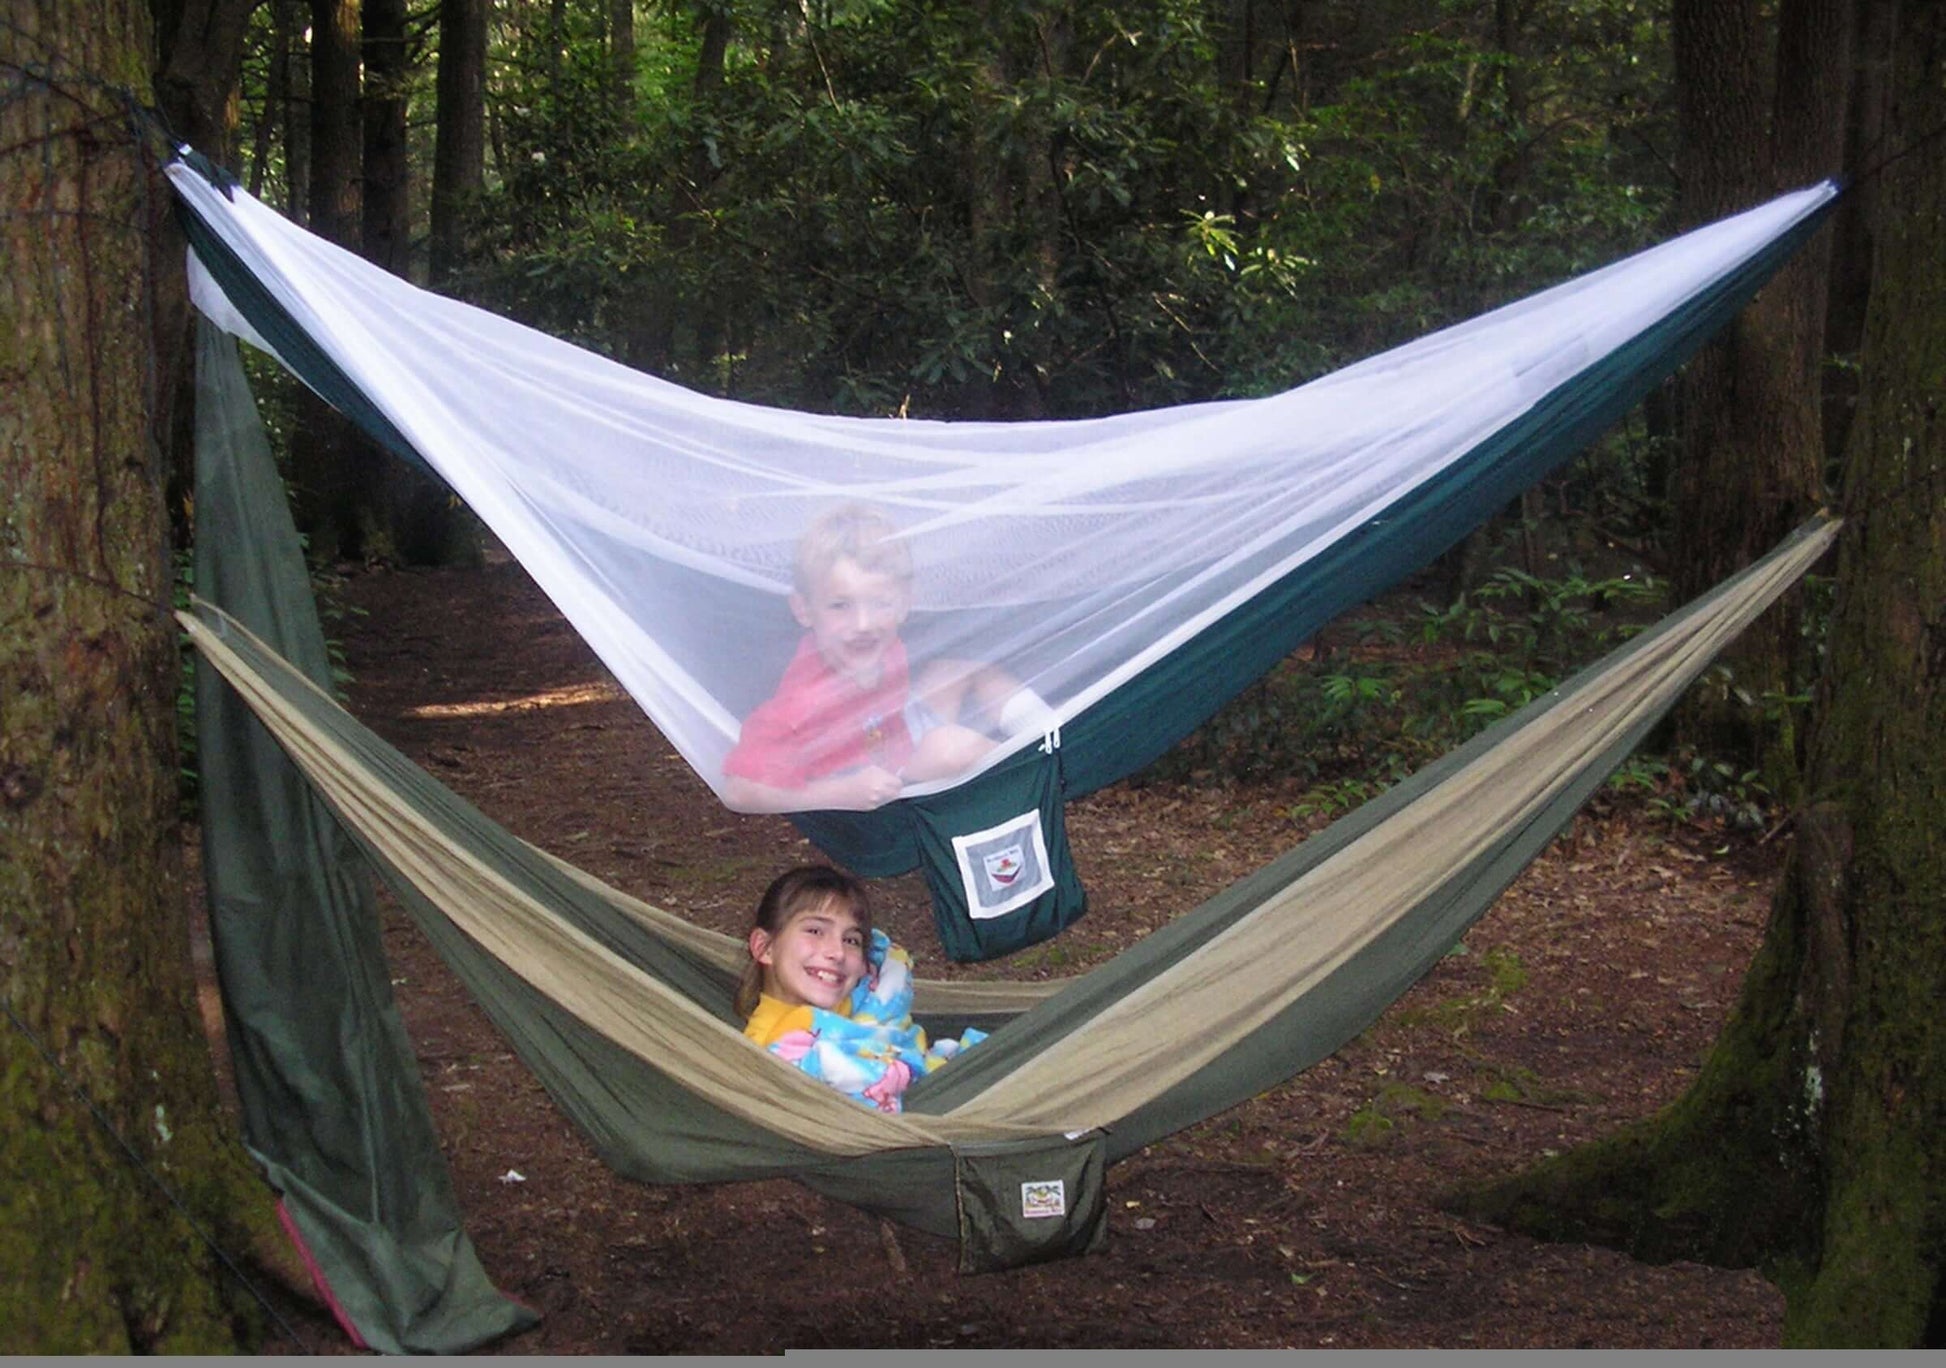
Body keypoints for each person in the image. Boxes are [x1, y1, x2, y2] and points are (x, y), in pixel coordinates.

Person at [722, 503, 1054, 813]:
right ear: (804, 610)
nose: (864, 624)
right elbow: (738, 791)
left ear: (904, 602)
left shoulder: (879, 644)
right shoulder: (799, 708)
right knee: (951, 746)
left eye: (880, 603)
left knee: (960, 672)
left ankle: (1050, 739)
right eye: (841, 606)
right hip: (878, 784)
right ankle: (1033, 777)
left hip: (895, 731)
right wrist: (842, 793)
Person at [736, 865, 982, 1113]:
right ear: (765, 948)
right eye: (815, 931)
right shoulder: (767, 1054)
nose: (838, 952)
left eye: (851, 940)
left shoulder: (871, 994)